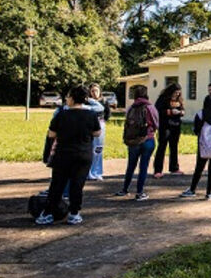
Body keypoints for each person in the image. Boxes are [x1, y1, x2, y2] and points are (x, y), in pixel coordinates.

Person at [36, 85, 101, 225]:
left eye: (68, 96)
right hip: (83, 154)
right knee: (77, 186)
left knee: (57, 184)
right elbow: (97, 133)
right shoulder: (91, 115)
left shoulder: (62, 114)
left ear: (72, 98)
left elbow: (51, 133)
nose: (66, 99)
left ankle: (47, 213)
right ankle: (74, 213)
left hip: (63, 154)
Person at [181, 94, 211, 200]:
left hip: (203, 146)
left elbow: (196, 130)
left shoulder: (200, 114)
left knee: (199, 168)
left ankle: (192, 189)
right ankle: (209, 193)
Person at [116, 86, 159, 200]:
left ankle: (124, 189)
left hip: (133, 140)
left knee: (131, 166)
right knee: (143, 166)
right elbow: (156, 124)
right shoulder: (150, 107)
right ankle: (139, 192)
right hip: (147, 139)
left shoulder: (131, 108)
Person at [153, 83, 185, 178]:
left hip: (176, 125)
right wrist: (170, 112)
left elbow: (182, 109)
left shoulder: (179, 100)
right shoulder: (162, 99)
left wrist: (181, 112)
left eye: (178, 93)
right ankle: (158, 170)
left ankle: (174, 167)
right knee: (162, 147)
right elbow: (157, 111)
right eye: (175, 93)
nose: (176, 95)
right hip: (165, 126)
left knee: (174, 147)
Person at [86, 83, 110, 180]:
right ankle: (88, 172)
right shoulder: (87, 102)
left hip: (100, 126)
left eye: (96, 90)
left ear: (100, 91)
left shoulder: (104, 101)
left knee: (98, 149)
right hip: (89, 127)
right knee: (89, 149)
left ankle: (97, 172)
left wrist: (103, 121)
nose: (94, 93)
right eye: (92, 91)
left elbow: (107, 113)